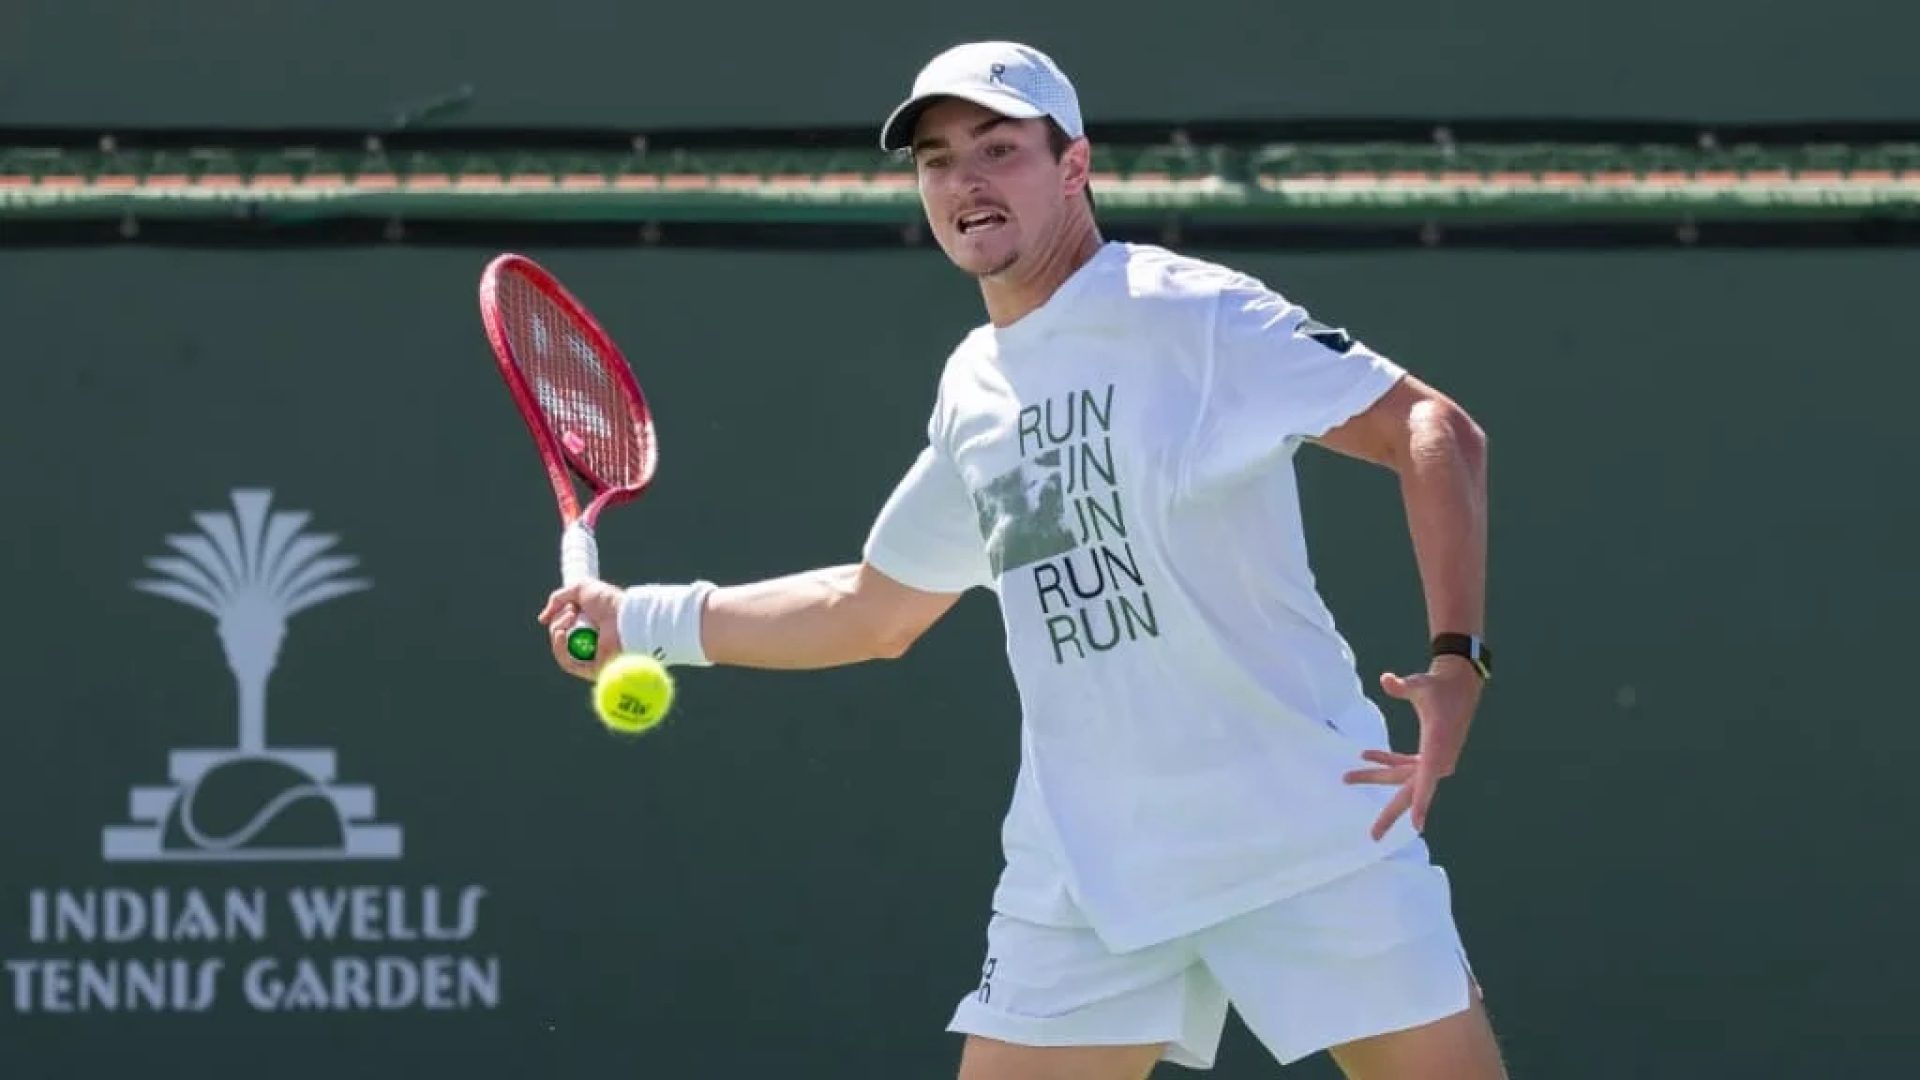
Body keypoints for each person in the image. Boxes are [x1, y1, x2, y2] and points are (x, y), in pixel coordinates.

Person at [538, 40, 1503, 1080]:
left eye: (998, 149)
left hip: (1302, 833)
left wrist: (1458, 660)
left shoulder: (1190, 313)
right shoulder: (977, 388)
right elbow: (873, 610)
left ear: (1074, 167)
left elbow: (1435, 431)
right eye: (939, 160)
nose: (965, 182)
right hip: (1085, 874)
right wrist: (640, 621)